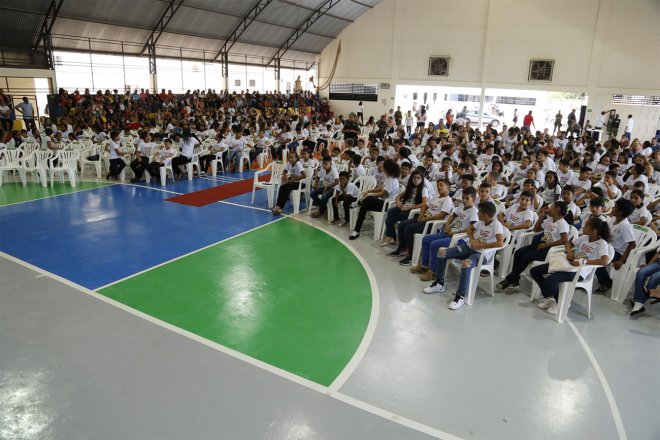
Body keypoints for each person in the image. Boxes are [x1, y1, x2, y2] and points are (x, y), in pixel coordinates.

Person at [423, 201, 505, 311]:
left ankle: (460, 296)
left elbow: (500, 243)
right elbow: (469, 229)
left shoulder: (496, 225)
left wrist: (481, 245)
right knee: (441, 252)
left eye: (479, 212)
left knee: (466, 264)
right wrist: (472, 239)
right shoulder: (481, 222)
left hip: (481, 255)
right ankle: (439, 284)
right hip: (469, 248)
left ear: (485, 214)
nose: (477, 214)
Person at [530, 217, 611, 315]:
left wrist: (582, 262)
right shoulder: (584, 238)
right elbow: (568, 243)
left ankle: (562, 303)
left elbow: (604, 261)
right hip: (569, 265)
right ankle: (552, 297)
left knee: (550, 280)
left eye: (586, 226)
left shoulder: (602, 244)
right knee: (534, 271)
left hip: (580, 271)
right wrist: (569, 253)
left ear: (593, 230)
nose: (583, 227)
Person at [497, 201, 569, 291]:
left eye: (551, 207)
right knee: (519, 252)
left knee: (527, 256)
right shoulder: (550, 220)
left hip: (551, 250)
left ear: (557, 209)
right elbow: (536, 229)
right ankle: (515, 280)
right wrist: (541, 217)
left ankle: (509, 279)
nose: (548, 209)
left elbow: (564, 240)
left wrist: (546, 245)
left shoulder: (562, 223)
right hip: (542, 245)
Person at [391, 179, 453, 266]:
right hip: (423, 219)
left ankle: (411, 256)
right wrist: (421, 215)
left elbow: (441, 216)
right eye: (438, 185)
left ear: (448, 187)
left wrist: (426, 219)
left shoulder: (447, 200)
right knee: (401, 225)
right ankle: (402, 248)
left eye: (441, 185)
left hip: (432, 225)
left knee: (408, 229)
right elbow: (425, 206)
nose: (439, 187)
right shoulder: (436, 197)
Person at [349, 159, 400, 240]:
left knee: (368, 198)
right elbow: (380, 188)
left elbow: (382, 193)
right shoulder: (389, 178)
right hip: (382, 202)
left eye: (384, 167)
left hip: (388, 205)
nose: (382, 168)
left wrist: (369, 194)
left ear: (387, 168)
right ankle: (356, 230)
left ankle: (358, 203)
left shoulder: (392, 180)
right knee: (364, 206)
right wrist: (369, 190)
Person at [595, 199, 636, 293]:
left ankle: (606, 282)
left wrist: (621, 261)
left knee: (599, 261)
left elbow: (632, 244)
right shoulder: (613, 219)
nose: (612, 207)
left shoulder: (625, 226)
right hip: (608, 247)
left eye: (615, 207)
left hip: (618, 252)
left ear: (620, 212)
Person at [629, 249, 660, 317]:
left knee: (654, 278)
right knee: (641, 272)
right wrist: (648, 265)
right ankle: (639, 301)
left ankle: (638, 302)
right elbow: (657, 254)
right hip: (658, 263)